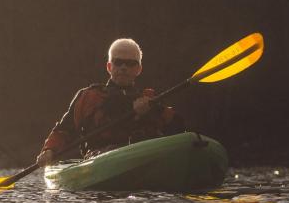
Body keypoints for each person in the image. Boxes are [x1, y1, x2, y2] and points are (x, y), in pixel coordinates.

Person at [35, 38, 184, 166]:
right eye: (118, 62)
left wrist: (153, 110)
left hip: (143, 154)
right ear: (109, 67)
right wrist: (49, 150)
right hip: (100, 158)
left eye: (130, 63)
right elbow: (64, 130)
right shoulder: (88, 97)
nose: (123, 67)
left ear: (138, 69)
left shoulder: (149, 100)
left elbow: (179, 128)